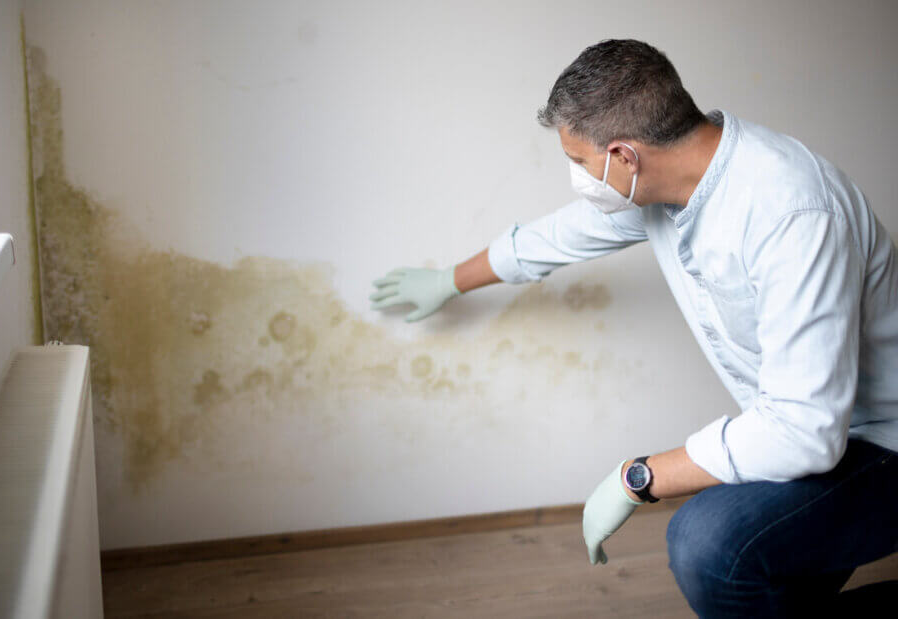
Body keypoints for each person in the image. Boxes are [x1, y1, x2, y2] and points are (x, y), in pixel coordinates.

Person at [369, 39, 898, 616]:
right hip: (820, 433)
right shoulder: (669, 189)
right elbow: (555, 238)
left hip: (878, 442)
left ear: (624, 156)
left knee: (708, 543)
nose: (576, 176)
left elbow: (802, 431)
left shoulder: (790, 213)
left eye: (576, 161)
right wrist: (448, 280)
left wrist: (636, 478)